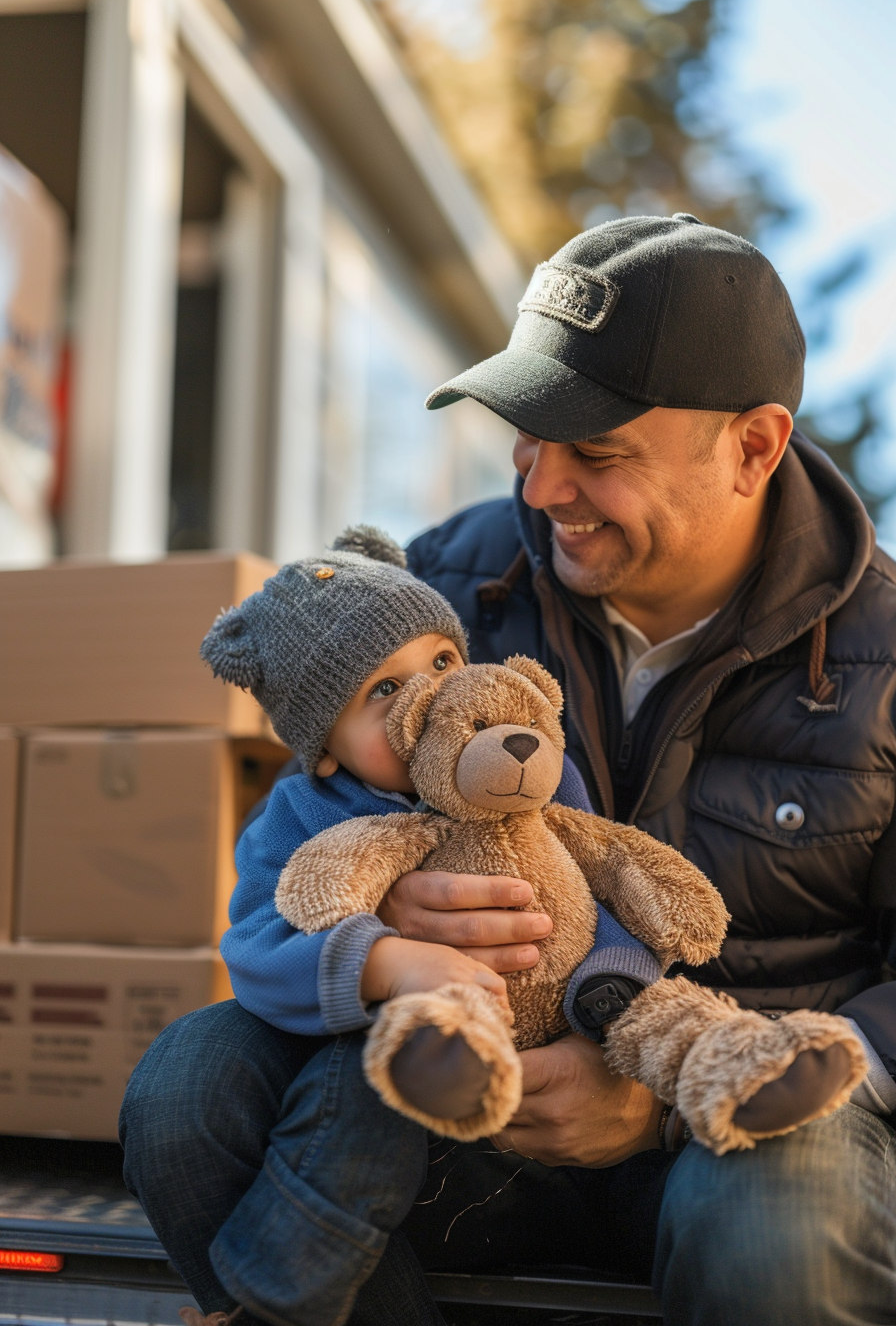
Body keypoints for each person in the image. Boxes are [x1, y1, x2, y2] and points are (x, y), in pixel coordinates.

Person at [122, 214, 896, 1324]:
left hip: (727, 1127)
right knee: (189, 1087)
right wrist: (382, 917)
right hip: (444, 1096)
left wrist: (666, 1099)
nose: (539, 491)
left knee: (781, 1237)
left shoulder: (883, 662)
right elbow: (312, 826)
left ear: (752, 448)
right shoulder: (446, 587)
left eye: (598, 452)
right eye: (525, 437)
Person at [144, 525, 664, 1326]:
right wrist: (385, 961)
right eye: (383, 691)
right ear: (324, 750)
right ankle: (276, 1294)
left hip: (541, 1089)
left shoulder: (521, 772)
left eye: (443, 663)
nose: (430, 699)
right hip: (402, 1092)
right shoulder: (303, 813)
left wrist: (614, 998)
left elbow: (612, 902)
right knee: (347, 1076)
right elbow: (256, 943)